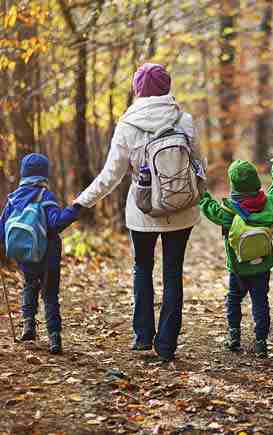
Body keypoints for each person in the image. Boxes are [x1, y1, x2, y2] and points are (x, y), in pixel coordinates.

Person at [73, 63, 200, 362]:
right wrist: (201, 198)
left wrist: (81, 203)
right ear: (167, 88)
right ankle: (166, 344)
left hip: (142, 212)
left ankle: (143, 336)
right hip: (181, 209)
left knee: (142, 268)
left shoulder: (128, 125)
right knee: (173, 273)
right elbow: (199, 165)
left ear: (137, 89)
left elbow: (110, 175)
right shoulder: (185, 120)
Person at [0, 153, 80, 354]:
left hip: (25, 255)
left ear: (23, 174)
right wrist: (74, 209)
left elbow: (0, 228)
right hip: (48, 255)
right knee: (50, 295)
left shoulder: (13, 198)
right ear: (44, 175)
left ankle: (28, 324)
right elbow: (56, 223)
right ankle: (54, 337)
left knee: (29, 286)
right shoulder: (45, 196)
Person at [199, 153, 273, 358]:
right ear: (256, 182)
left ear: (234, 187)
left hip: (238, 268)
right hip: (262, 266)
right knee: (260, 302)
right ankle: (260, 343)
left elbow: (209, 208)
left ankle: (234, 337)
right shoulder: (268, 204)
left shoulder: (229, 211)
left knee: (233, 299)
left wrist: (200, 191)